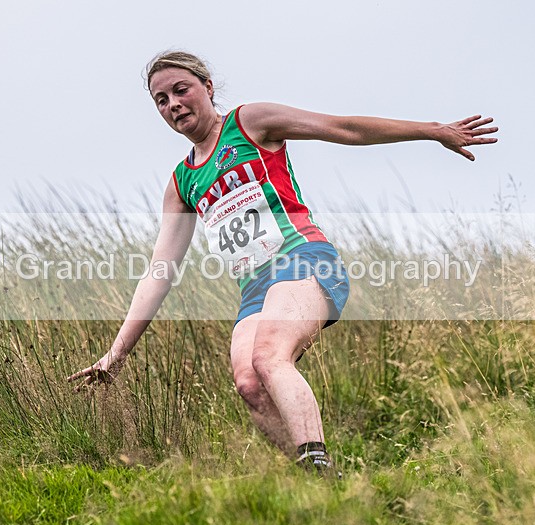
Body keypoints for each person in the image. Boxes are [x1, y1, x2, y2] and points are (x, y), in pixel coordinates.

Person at [67, 51, 497, 472]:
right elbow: (160, 272)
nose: (174, 104)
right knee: (249, 382)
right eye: (162, 100)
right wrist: (116, 354)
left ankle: (318, 464)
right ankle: (315, 484)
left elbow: (340, 127)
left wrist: (433, 130)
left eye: (181, 90)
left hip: (305, 260)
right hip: (255, 289)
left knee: (269, 355)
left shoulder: (249, 123)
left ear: (208, 88)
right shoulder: (182, 183)